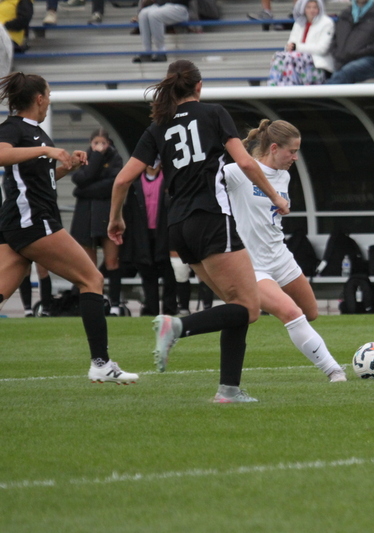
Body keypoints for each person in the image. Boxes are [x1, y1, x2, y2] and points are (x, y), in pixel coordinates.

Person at [108, 59, 290, 403]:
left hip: (177, 226)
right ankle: (177, 326)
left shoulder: (157, 127)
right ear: (199, 87)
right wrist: (276, 197)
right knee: (250, 309)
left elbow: (122, 179)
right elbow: (247, 162)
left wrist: (115, 219)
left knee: (236, 305)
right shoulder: (214, 114)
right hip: (210, 218)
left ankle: (228, 390)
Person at [0, 72, 138, 383]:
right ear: (39, 99)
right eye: (47, 95)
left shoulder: (36, 133)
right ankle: (102, 364)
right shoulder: (14, 127)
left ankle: (102, 363)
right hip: (32, 221)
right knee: (92, 278)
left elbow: (40, 182)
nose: (48, 100)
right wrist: (45, 152)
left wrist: (65, 167)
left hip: (19, 221)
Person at [224, 119, 346, 382]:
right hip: (252, 265)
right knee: (291, 314)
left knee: (310, 312)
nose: (296, 157)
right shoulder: (236, 172)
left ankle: (265, 307)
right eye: (292, 151)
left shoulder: (285, 175)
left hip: (280, 257)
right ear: (275, 148)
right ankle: (334, 371)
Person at [70, 128, 125, 316]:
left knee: (112, 262)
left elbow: (111, 185)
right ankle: (94, 303)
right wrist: (96, 159)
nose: (99, 147)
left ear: (109, 143)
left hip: (107, 216)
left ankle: (116, 304)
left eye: (103, 143)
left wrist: (83, 190)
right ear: (90, 143)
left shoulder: (116, 159)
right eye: (95, 143)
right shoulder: (85, 158)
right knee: (89, 267)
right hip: (85, 217)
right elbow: (79, 178)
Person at [119, 158, 178, 316]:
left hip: (164, 234)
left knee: (168, 272)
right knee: (147, 273)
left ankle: (169, 309)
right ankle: (151, 309)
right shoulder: (135, 184)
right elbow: (129, 212)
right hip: (142, 234)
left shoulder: (168, 181)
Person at [267, 0, 334, 86]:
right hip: (296, 61)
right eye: (308, 7)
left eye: (315, 7)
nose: (312, 10)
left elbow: (322, 49)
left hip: (317, 65)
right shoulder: (299, 23)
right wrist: (289, 47)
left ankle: (288, 87)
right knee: (278, 56)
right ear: (303, 9)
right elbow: (291, 44)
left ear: (319, 9)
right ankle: (273, 86)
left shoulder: (327, 23)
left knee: (293, 58)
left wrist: (297, 47)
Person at [326, 0, 374, 84]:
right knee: (334, 73)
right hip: (344, 60)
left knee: (344, 73)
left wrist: (362, 51)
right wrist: (337, 53)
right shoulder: (345, 14)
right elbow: (334, 38)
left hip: (373, 60)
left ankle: (319, 96)